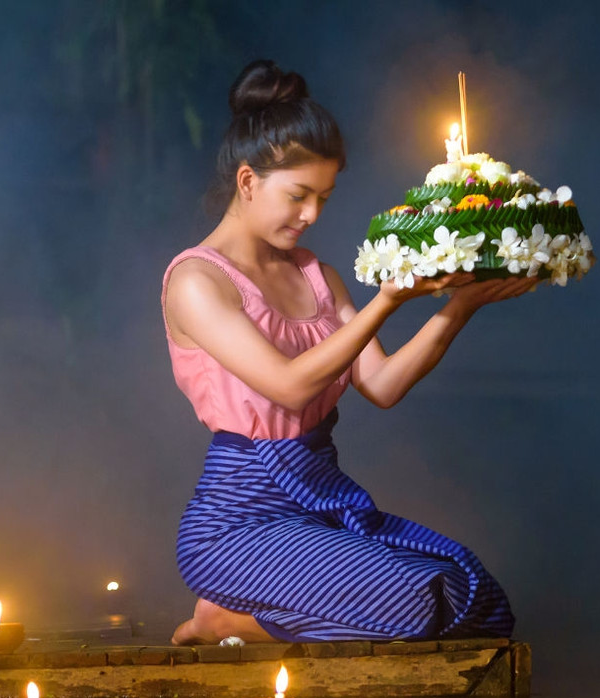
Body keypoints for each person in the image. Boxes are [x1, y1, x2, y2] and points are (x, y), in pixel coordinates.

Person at [161, 60, 533, 645]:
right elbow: (288, 386)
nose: (311, 215)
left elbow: (382, 385)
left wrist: (460, 305)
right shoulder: (196, 282)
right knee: (417, 605)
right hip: (237, 525)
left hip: (320, 497)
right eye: (298, 195)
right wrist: (386, 300)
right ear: (248, 181)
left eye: (324, 198)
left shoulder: (317, 275)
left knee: (472, 593)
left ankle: (246, 617)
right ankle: (228, 618)